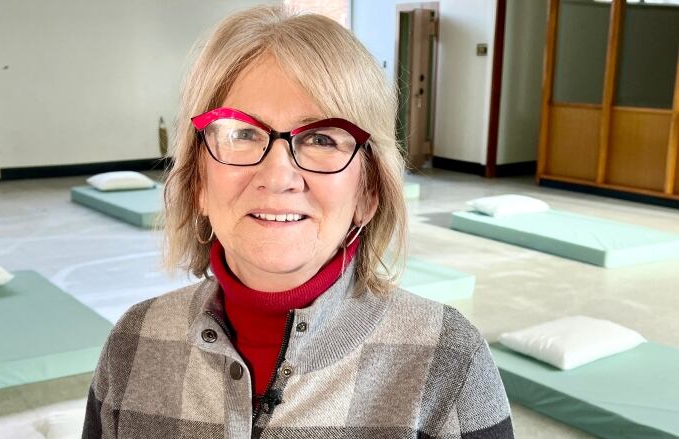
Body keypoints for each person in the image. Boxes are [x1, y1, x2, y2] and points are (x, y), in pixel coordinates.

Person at [82, 5, 513, 438]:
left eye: (321, 138)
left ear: (368, 192)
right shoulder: (134, 343)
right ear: (198, 182)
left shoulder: (447, 361)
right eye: (242, 133)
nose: (278, 177)